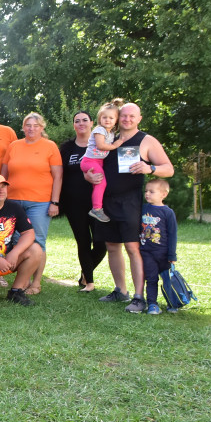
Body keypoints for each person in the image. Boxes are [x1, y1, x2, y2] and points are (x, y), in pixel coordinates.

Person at [94, 103, 174, 312]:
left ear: (139, 118)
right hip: (106, 200)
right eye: (124, 116)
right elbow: (93, 161)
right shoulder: (108, 137)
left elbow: (169, 169)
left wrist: (151, 167)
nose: (127, 119)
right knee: (112, 245)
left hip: (130, 201)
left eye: (132, 116)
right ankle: (121, 290)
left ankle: (139, 297)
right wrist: (88, 174)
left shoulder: (146, 140)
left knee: (132, 247)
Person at [1, 112, 62, 294]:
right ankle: (24, 279)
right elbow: (3, 173)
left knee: (37, 241)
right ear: (23, 127)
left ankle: (36, 283)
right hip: (13, 200)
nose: (31, 128)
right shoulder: (14, 146)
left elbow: (58, 176)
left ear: (42, 128)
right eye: (28, 125)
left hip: (40, 202)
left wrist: (55, 202)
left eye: (36, 125)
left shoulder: (50, 146)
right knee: (17, 240)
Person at [0, 174, 43, 307]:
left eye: (4, 187)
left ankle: (16, 292)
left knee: (35, 249)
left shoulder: (14, 208)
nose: (1, 190)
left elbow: (29, 233)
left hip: (8, 258)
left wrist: (15, 252)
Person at [60, 110, 107, 292]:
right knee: (83, 242)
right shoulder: (67, 148)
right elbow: (59, 174)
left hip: (98, 203)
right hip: (74, 203)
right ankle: (89, 282)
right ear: (74, 125)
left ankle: (85, 273)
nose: (81, 123)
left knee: (102, 243)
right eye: (77, 121)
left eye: (84, 120)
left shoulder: (100, 145)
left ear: (91, 123)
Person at [80, 99, 126, 223]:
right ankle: (96, 209)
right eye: (104, 117)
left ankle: (97, 206)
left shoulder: (110, 132)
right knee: (101, 183)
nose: (107, 120)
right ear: (99, 118)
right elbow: (101, 146)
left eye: (111, 118)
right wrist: (116, 145)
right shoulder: (99, 130)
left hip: (98, 161)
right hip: (90, 161)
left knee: (99, 184)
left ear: (116, 120)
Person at [139, 179, 178, 315]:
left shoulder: (168, 212)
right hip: (147, 252)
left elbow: (173, 234)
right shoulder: (143, 208)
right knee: (151, 278)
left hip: (163, 254)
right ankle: (152, 304)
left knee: (168, 280)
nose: (147, 194)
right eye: (146, 191)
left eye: (151, 191)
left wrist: (172, 255)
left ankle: (172, 303)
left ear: (163, 194)